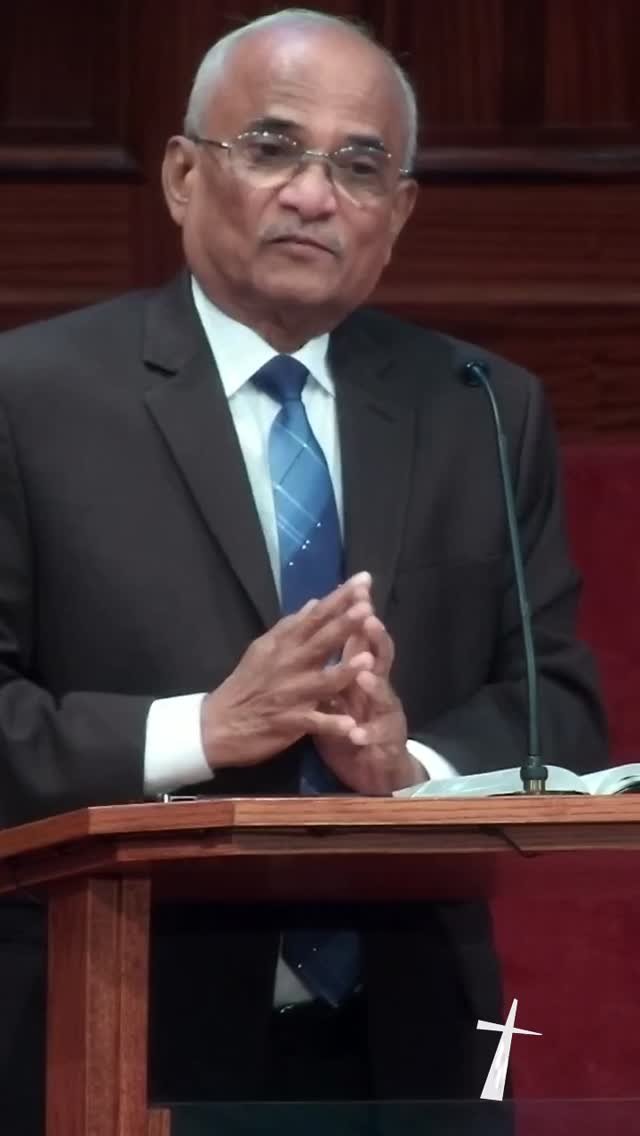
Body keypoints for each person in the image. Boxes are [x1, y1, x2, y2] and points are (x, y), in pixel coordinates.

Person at [0, 7, 607, 1133]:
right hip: (109, 1028)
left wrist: (412, 767)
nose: (314, 195)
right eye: (272, 148)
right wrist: (202, 729)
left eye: (359, 166)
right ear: (182, 175)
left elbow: (557, 708)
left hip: (417, 1043)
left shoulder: (480, 405)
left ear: (398, 212)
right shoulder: (29, 400)